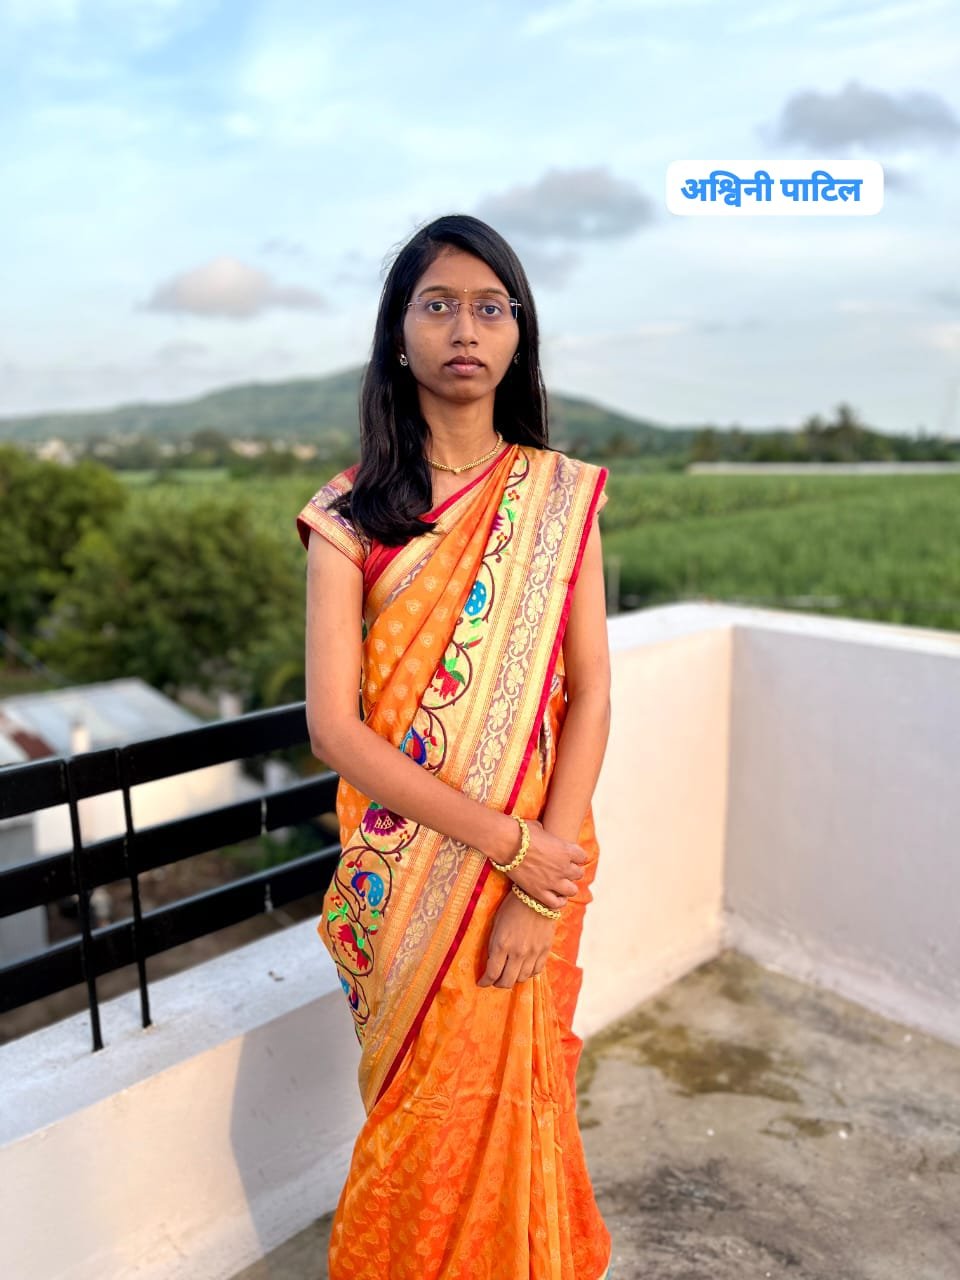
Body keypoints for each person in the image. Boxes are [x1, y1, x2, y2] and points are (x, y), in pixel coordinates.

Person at [296, 213, 613, 1280]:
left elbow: (591, 692)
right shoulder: (349, 517)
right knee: (420, 1122)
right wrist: (506, 843)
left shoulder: (560, 498)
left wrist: (539, 882)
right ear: (399, 334)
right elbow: (333, 728)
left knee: (520, 1101)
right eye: (437, 305)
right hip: (409, 881)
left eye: (490, 306)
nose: (464, 329)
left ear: (519, 334)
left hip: (536, 870)